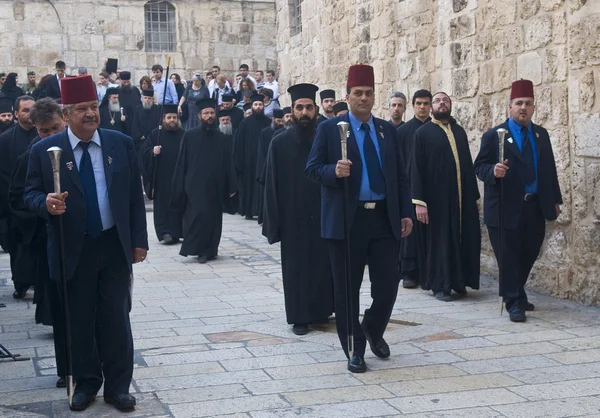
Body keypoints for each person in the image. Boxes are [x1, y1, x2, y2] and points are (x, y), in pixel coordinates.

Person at [24, 74, 148, 412]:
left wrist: (139, 241)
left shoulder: (119, 144)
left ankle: (118, 387)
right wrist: (46, 202)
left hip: (112, 245)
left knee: (116, 318)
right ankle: (86, 382)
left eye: (94, 107)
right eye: (82, 109)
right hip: (72, 247)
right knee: (79, 319)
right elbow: (29, 194)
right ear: (66, 114)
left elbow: (133, 198)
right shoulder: (44, 151)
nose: (91, 114)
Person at [305, 65, 413, 373]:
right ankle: (354, 348)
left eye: (368, 93)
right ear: (347, 95)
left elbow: (400, 178)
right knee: (347, 289)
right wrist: (332, 171)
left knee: (388, 285)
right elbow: (311, 168)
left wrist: (405, 211)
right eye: (357, 93)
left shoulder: (386, 131)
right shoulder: (330, 129)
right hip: (346, 221)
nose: (363, 98)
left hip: (382, 219)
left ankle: (373, 329)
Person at [474, 79, 563, 322]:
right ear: (509, 106)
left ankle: (517, 290)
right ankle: (513, 300)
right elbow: (479, 166)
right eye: (518, 103)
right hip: (505, 206)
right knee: (509, 255)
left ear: (534, 107)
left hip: (534, 205)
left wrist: (555, 199)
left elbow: (548, 169)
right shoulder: (495, 136)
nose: (523, 108)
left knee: (530, 251)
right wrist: (493, 171)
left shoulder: (540, 134)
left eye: (528, 103)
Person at [263, 83, 334, 335]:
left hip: (324, 214)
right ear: (292, 110)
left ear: (316, 110)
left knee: (322, 266)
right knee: (296, 269)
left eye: (309, 108)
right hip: (293, 217)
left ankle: (322, 311)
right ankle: (299, 317)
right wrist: (274, 223)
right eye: (299, 108)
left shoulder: (327, 139)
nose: (305, 112)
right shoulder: (279, 143)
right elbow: (272, 185)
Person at [8, 98, 67, 388]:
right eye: (44, 132)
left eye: (55, 128)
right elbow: (18, 198)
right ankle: (67, 368)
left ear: (64, 119)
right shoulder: (30, 157)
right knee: (59, 307)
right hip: (47, 241)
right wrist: (43, 209)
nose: (51, 136)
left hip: (83, 240)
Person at [411, 92, 481, 301]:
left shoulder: (459, 132)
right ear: (432, 108)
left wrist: (474, 197)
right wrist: (419, 202)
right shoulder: (422, 134)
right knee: (440, 241)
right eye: (438, 101)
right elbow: (416, 168)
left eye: (446, 101)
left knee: (461, 238)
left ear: (450, 105)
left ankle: (458, 281)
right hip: (436, 200)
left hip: (461, 197)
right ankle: (440, 285)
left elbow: (467, 165)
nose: (442, 104)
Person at [170, 98, 237, 263]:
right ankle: (200, 250)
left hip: (216, 185)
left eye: (211, 113)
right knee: (200, 215)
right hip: (194, 185)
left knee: (213, 218)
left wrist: (232, 185)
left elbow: (228, 163)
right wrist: (180, 183)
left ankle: (210, 250)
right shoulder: (190, 136)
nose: (209, 116)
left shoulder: (221, 137)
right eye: (206, 113)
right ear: (200, 115)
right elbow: (182, 162)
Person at [0, 95, 38, 299]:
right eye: (25, 110)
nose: (29, 114)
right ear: (16, 114)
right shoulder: (5, 140)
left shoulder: (44, 135)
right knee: (18, 247)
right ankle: (21, 283)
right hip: (14, 205)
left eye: (33, 109)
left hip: (38, 203)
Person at [396, 89, 432, 289]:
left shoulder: (437, 130)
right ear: (413, 106)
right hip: (409, 188)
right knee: (410, 232)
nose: (422, 107)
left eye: (426, 103)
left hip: (431, 189)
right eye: (419, 103)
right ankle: (408, 271)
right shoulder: (403, 131)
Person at [141, 104, 184, 244]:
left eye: (174, 117)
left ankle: (178, 231)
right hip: (162, 177)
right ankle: (165, 232)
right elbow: (144, 154)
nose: (172, 120)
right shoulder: (155, 134)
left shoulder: (184, 135)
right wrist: (153, 152)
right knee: (163, 205)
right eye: (169, 117)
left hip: (179, 176)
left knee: (179, 204)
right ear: (163, 119)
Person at [233, 93, 271, 219]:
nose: (258, 107)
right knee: (248, 186)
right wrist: (239, 161)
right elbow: (239, 143)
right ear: (252, 106)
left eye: (260, 104)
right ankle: (248, 211)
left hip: (264, 160)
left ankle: (261, 212)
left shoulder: (269, 123)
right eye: (256, 104)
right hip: (248, 160)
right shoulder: (245, 123)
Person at [256, 108, 285, 225]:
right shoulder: (265, 132)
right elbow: (262, 152)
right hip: (266, 165)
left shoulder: (283, 133)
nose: (280, 123)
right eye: (278, 120)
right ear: (273, 120)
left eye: (281, 120)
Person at [132, 90, 162, 160]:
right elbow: (135, 123)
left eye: (149, 98)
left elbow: (159, 123)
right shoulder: (138, 109)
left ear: (152, 99)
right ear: (142, 99)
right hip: (141, 139)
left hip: (153, 138)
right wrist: (139, 135)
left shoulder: (158, 109)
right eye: (145, 98)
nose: (147, 100)